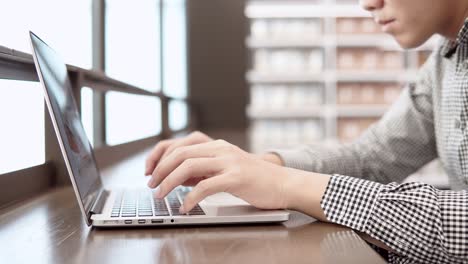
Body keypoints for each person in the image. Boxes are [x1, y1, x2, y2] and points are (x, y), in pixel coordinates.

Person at [145, 0, 468, 263]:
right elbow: (373, 157)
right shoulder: (444, 58)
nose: (368, 3)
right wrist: (254, 166)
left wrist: (289, 186)